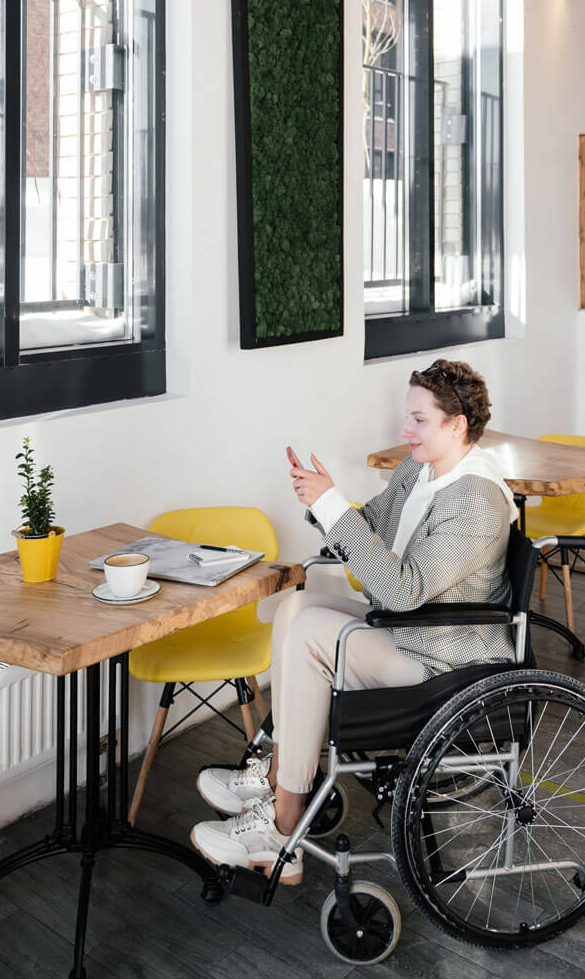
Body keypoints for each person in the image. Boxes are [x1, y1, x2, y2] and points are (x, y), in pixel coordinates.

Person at [190, 359, 518, 884]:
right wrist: (325, 500)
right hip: (409, 631)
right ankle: (278, 775)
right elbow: (371, 526)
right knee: (296, 607)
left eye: (418, 421)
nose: (405, 431)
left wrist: (332, 505)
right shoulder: (421, 470)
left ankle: (281, 831)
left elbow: (403, 589)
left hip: (444, 658)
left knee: (313, 636)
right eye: (407, 418)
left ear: (457, 425)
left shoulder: (476, 498)